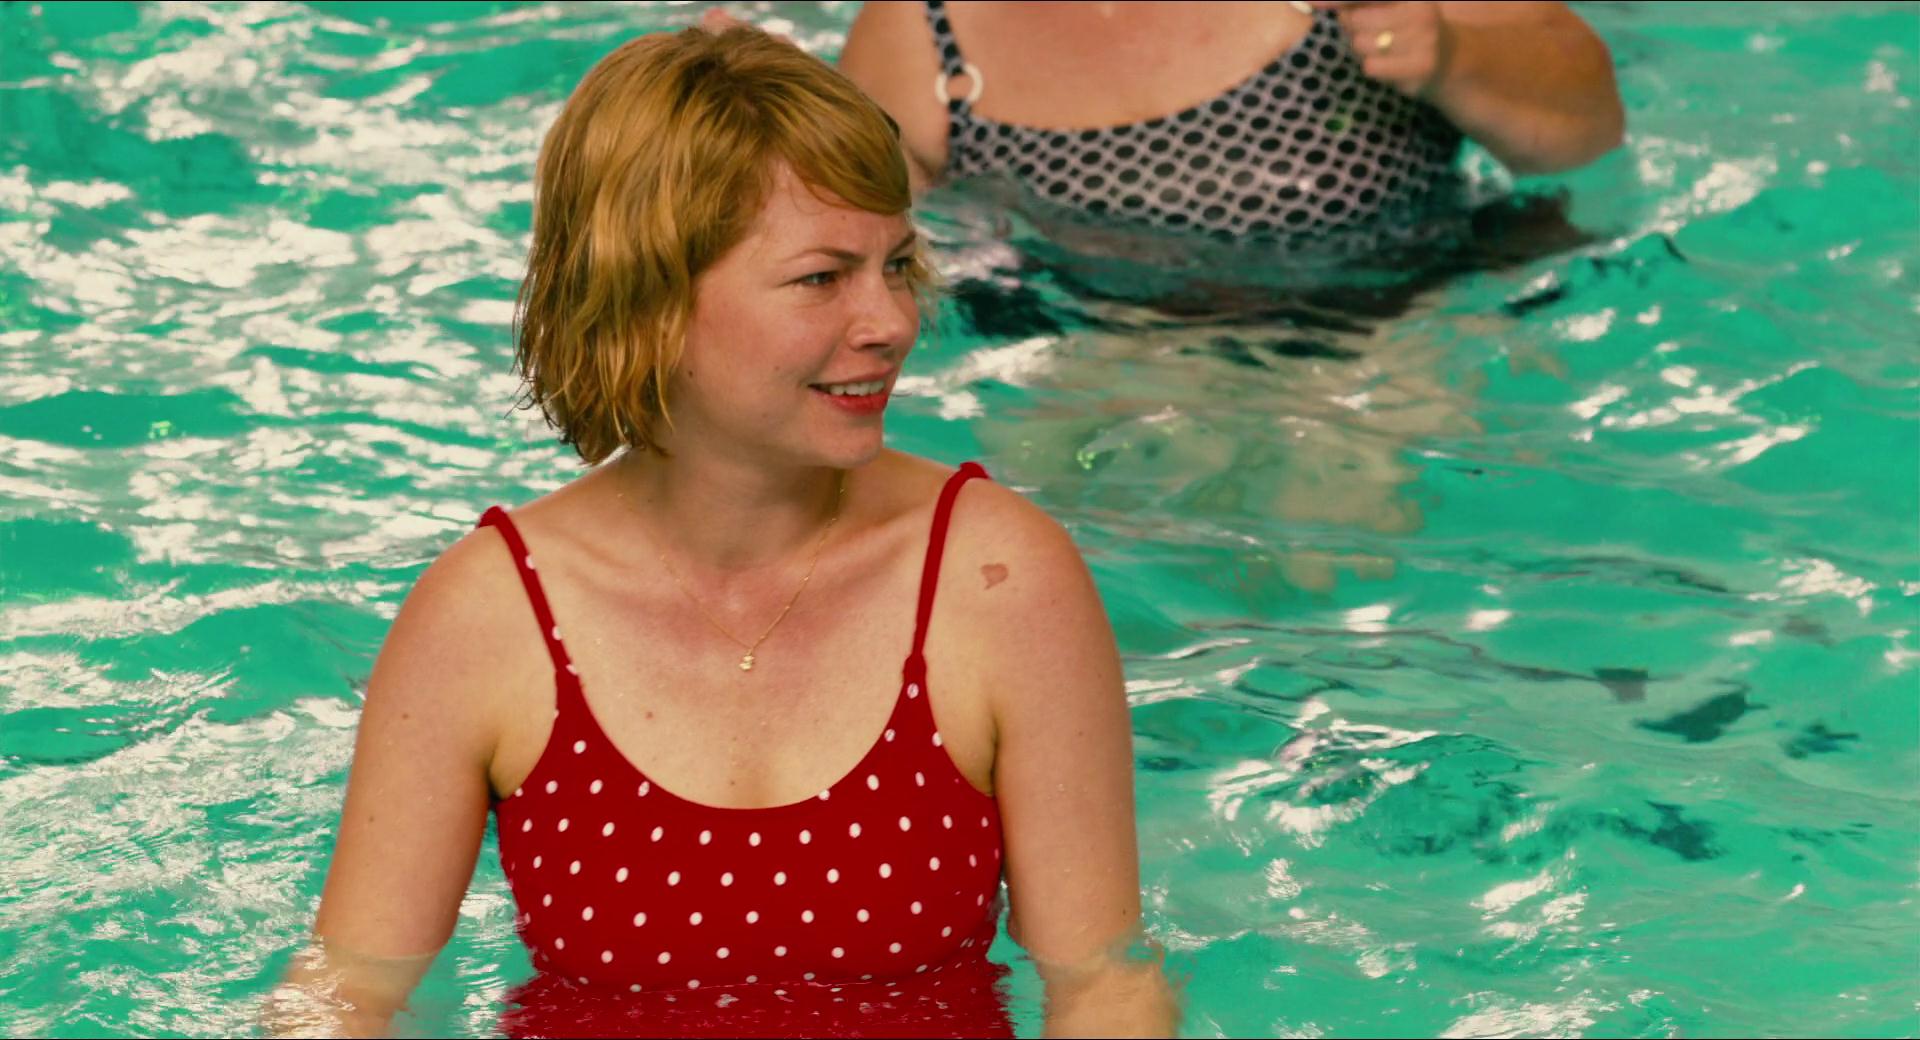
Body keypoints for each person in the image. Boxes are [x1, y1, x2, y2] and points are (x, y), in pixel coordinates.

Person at [272, 24, 1174, 1039]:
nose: (892, 322)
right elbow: (348, 989)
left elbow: (1105, 983)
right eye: (822, 278)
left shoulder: (996, 579)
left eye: (896, 265)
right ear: (651, 301)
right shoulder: (490, 615)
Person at [827, 0, 1624, 243]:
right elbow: (872, 270)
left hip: (1406, 336)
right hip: (1104, 379)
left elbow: (1591, 126)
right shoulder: (917, 34)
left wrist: (1452, 55)